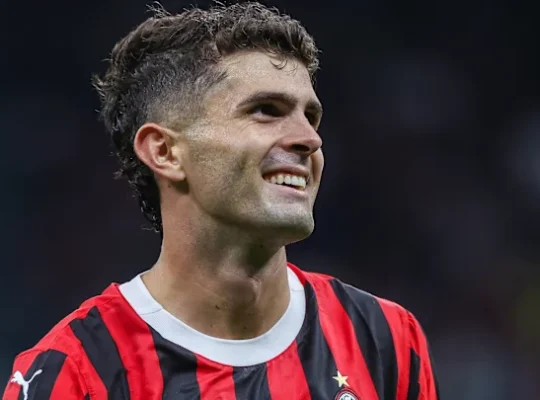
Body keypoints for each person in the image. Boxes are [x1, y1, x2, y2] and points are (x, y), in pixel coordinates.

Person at [3, 2, 439, 399]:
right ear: (165, 152)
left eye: (311, 116)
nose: (310, 139)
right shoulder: (76, 372)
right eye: (266, 110)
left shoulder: (385, 340)